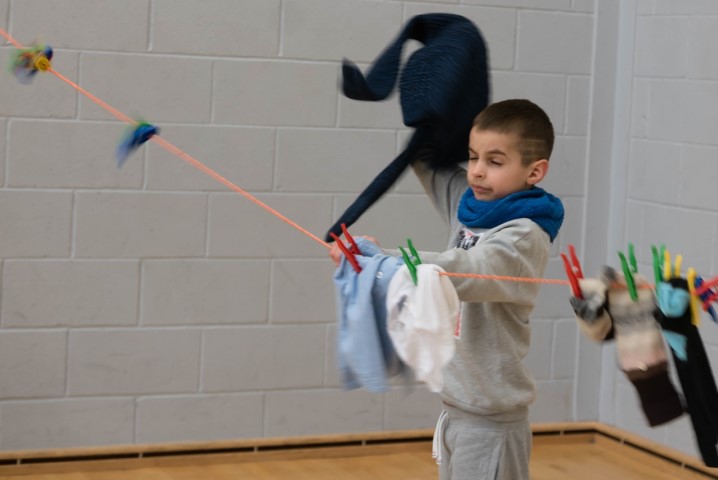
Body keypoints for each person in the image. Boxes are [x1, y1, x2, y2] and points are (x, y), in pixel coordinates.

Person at [329, 98, 564, 480]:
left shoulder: (523, 236)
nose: (477, 171)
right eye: (472, 157)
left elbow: (466, 269)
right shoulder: (470, 206)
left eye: (495, 161)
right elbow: (425, 156)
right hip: (458, 411)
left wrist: (382, 259)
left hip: (492, 424)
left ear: (534, 171)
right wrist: (432, 101)